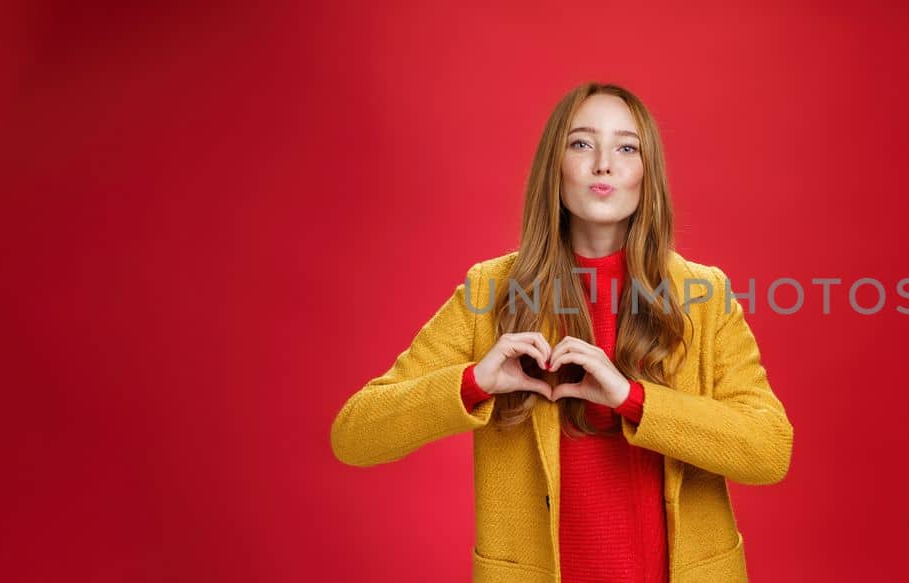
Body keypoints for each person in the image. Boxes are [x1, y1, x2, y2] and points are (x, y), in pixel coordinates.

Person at [330, 81, 793, 582]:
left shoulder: (703, 294)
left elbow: (769, 450)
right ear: (556, 167)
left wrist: (631, 398)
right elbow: (355, 436)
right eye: (581, 143)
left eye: (626, 147)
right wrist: (474, 383)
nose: (603, 164)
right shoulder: (490, 292)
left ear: (647, 173)